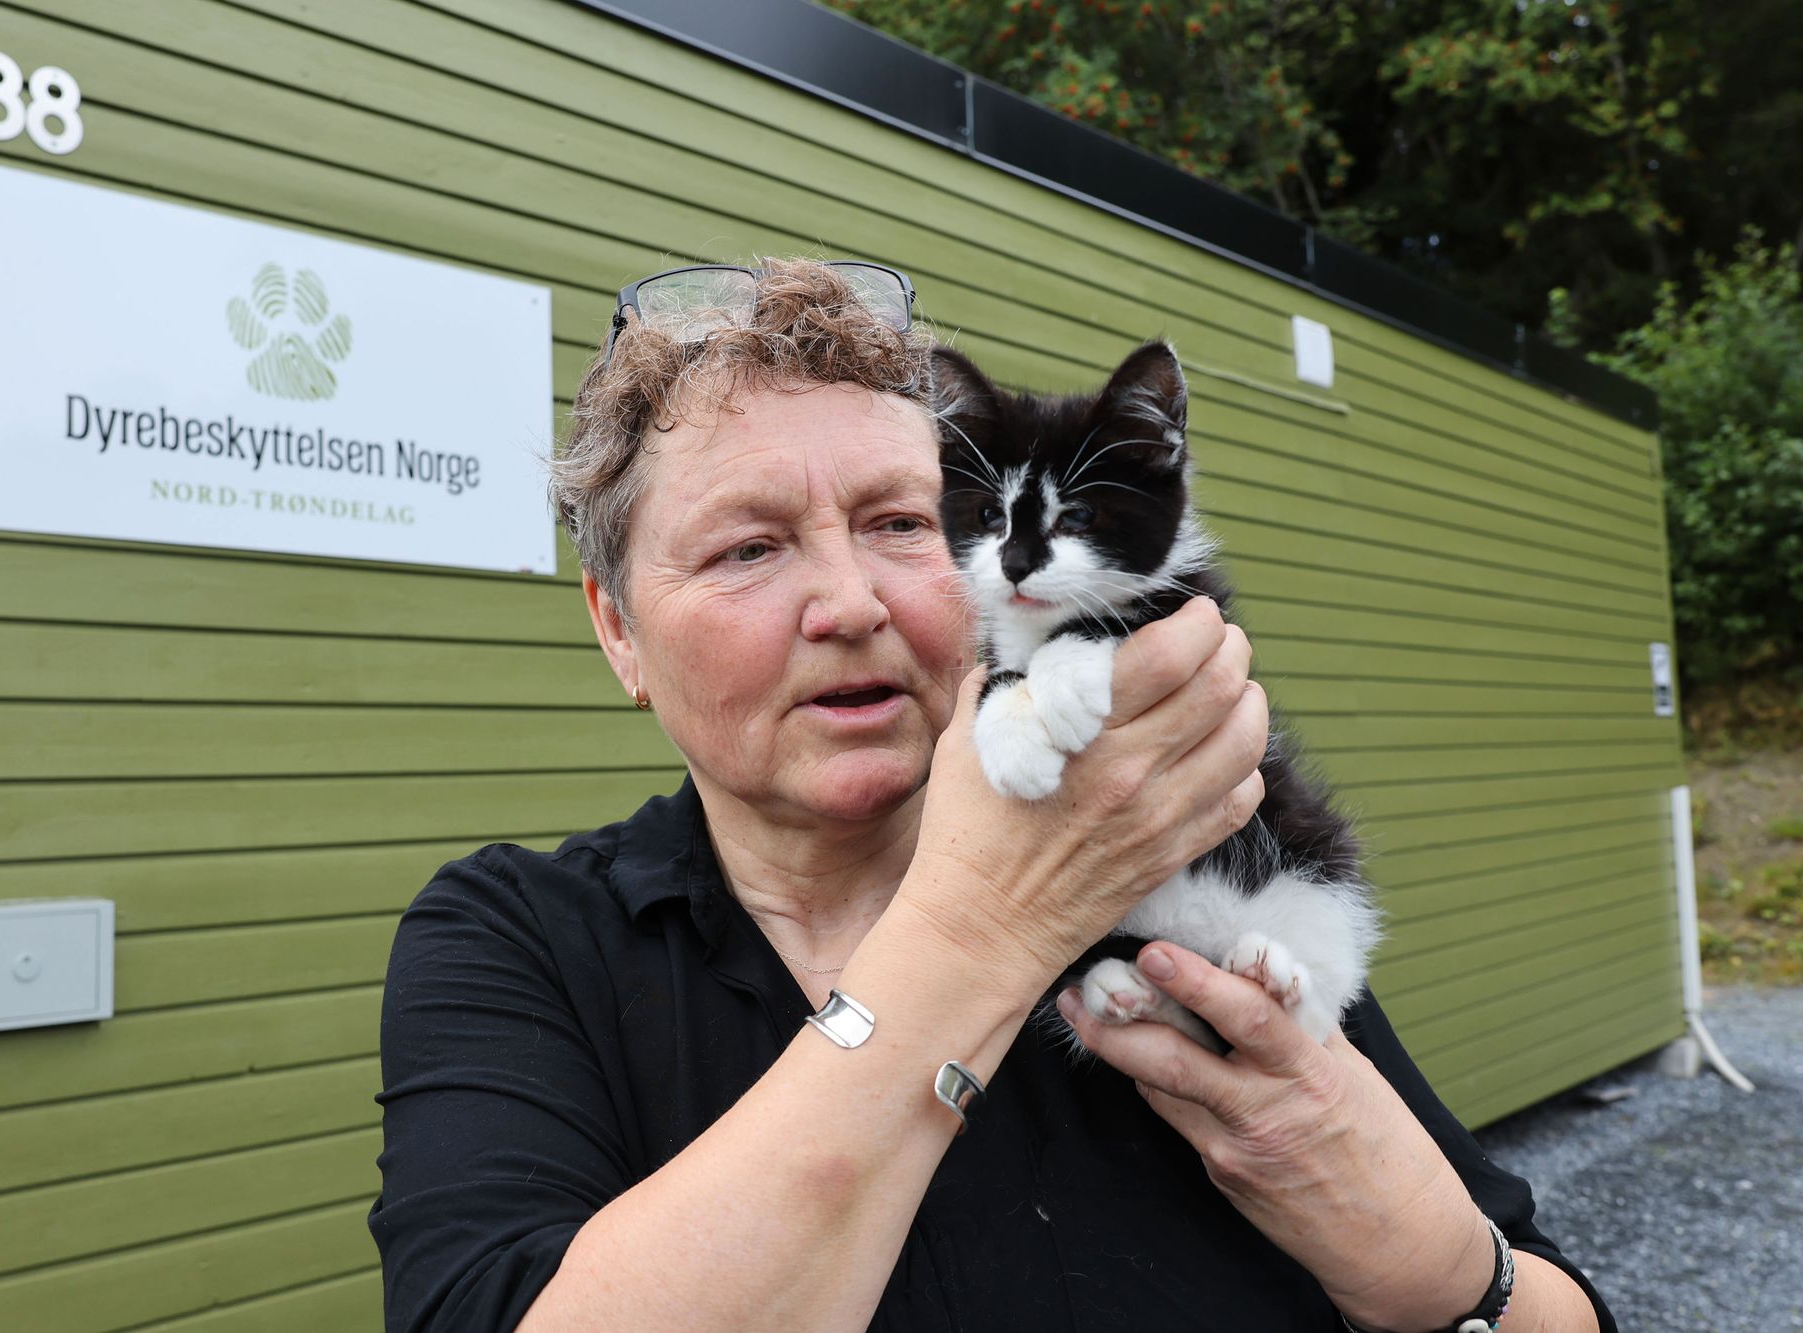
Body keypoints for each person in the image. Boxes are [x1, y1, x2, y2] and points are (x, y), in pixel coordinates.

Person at [368, 258, 1615, 1333]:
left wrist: (1438, 1271)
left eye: (903, 524)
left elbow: (1555, 1303)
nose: (849, 603)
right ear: (619, 633)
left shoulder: (1177, 862)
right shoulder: (519, 940)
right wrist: (983, 926)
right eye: (747, 546)